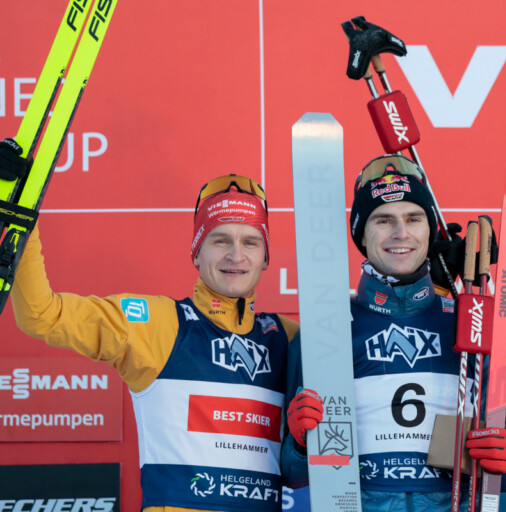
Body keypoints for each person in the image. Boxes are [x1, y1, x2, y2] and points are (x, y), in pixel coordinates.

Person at [1, 139, 300, 512]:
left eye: (251, 242)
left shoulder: (289, 339)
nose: (236, 255)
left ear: (266, 256)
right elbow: (41, 315)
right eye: (220, 239)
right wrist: (20, 212)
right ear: (197, 250)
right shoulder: (156, 323)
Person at [280, 154, 506, 512]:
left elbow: (503, 471)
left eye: (413, 219)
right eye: (383, 220)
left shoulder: (471, 322)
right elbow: (292, 474)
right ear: (361, 235)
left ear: (429, 230)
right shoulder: (327, 329)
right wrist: (300, 442)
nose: (401, 233)